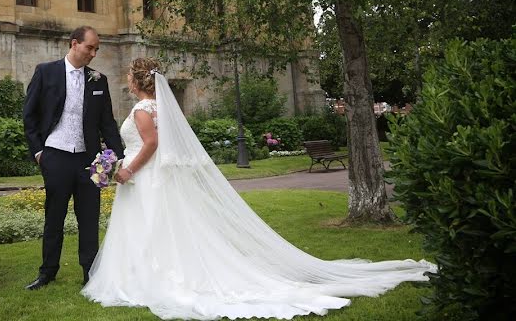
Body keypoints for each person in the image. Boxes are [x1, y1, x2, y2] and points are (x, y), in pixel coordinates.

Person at [82, 57, 436, 320]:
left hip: (144, 176)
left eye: (129, 76)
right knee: (162, 227)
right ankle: (152, 271)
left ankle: (151, 276)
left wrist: (125, 171)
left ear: (137, 81)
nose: (127, 81)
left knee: (153, 227)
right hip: (156, 178)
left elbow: (151, 145)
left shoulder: (144, 110)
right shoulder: (161, 107)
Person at [22, 25, 124, 290]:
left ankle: (90, 273)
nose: (93, 53)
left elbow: (107, 124)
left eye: (96, 49)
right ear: (74, 43)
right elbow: (29, 115)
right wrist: (39, 152)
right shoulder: (46, 71)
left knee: (90, 217)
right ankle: (47, 272)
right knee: (54, 216)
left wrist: (118, 158)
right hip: (55, 155)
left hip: (92, 160)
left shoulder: (98, 79)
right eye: (90, 47)